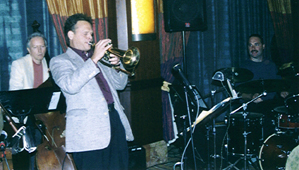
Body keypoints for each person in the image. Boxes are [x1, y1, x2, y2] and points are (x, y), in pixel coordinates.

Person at [49, 13, 134, 170]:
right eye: (85, 34)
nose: (90, 37)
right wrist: (93, 60)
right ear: (70, 35)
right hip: (88, 131)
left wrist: (116, 66)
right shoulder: (60, 61)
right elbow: (70, 85)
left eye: (91, 34)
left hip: (114, 121)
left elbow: (120, 85)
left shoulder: (100, 60)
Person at [8, 32, 49, 170]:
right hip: (27, 117)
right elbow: (15, 94)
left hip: (46, 116)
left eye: (42, 46)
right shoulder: (18, 64)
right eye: (35, 47)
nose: (39, 50)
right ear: (28, 49)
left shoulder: (49, 63)